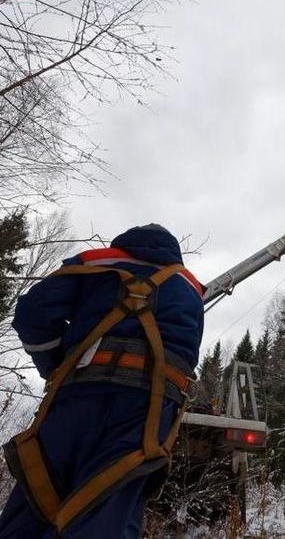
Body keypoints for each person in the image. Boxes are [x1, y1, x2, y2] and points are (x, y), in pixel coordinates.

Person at [1, 224, 204, 539]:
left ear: (123, 244)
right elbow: (187, 354)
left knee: (38, 500)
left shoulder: (95, 262)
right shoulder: (190, 289)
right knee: (110, 505)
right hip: (145, 412)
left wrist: (54, 365)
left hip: (78, 397)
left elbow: (32, 312)